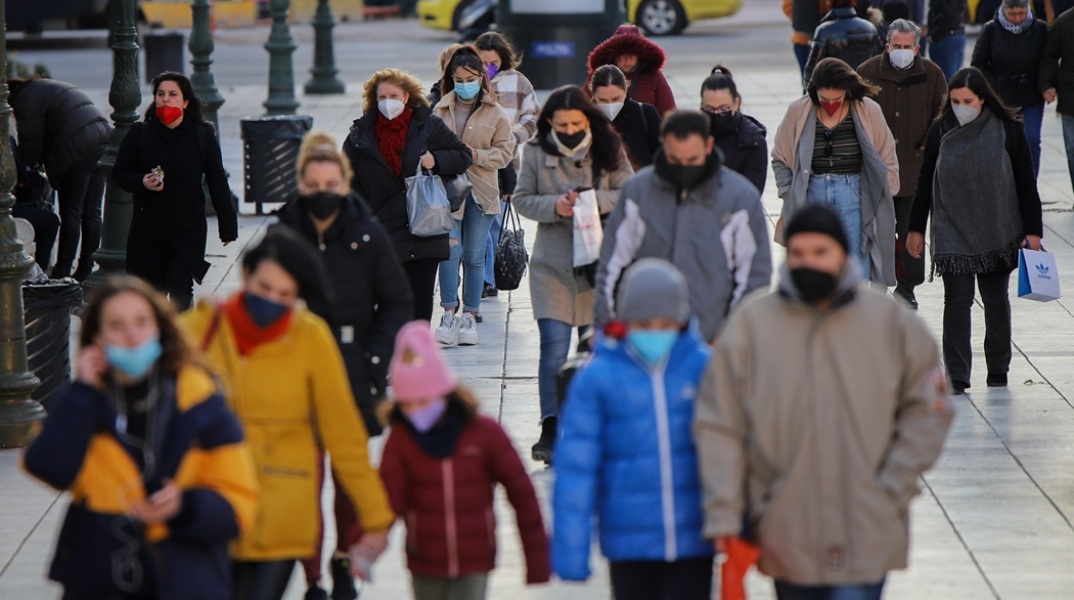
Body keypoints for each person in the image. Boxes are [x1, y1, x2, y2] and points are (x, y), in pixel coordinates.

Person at [695, 204, 955, 600]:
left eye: (820, 253)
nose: (809, 263)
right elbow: (719, 423)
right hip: (785, 525)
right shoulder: (752, 325)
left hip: (867, 523)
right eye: (798, 254)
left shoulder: (891, 322)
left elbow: (930, 410)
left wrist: (892, 483)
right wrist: (732, 510)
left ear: (842, 254)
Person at [180, 228, 395, 600]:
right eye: (264, 288)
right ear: (245, 276)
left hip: (279, 516)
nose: (273, 301)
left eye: (286, 295)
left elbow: (344, 433)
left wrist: (376, 519)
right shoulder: (196, 333)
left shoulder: (310, 338)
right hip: (207, 510)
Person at [24, 275, 259, 600]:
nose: (131, 336)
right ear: (98, 339)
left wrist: (184, 506)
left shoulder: (201, 402)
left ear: (159, 329)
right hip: (100, 580)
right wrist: (82, 394)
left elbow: (238, 507)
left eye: (141, 322)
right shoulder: (86, 403)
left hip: (183, 578)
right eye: (116, 326)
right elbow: (49, 466)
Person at [275, 132, 412, 600]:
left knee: (350, 481)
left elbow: (396, 302)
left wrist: (375, 361)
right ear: (300, 184)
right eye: (313, 184)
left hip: (353, 371)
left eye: (331, 182)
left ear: (345, 181)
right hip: (295, 379)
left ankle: (343, 563)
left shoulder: (367, 233)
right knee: (304, 481)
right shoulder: (282, 234)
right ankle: (311, 575)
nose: (323, 192)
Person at [554, 259, 714, 600]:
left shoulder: (703, 368)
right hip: (628, 544)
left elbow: (733, 449)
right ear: (625, 322)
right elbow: (576, 469)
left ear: (681, 321)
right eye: (644, 324)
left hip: (694, 539)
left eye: (665, 323)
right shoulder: (598, 379)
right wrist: (571, 546)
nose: (655, 332)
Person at [378, 321, 551, 600]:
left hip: (474, 560)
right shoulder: (402, 440)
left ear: (444, 392)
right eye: (406, 404)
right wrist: (364, 545)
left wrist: (537, 559)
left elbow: (523, 494)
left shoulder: (483, 434)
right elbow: (386, 499)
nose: (416, 411)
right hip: (424, 561)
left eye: (423, 401)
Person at [513, 85, 634, 463]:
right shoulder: (533, 152)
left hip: (596, 263)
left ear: (588, 119)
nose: (569, 130)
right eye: (561, 124)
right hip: (552, 261)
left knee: (593, 349)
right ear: (549, 121)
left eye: (576, 123)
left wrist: (592, 201)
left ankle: (590, 426)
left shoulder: (608, 147)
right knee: (552, 347)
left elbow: (631, 190)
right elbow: (521, 199)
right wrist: (556, 205)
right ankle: (551, 428)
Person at [907, 67, 1043, 394]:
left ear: (982, 99)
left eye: (967, 100)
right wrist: (915, 229)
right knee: (956, 300)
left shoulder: (1007, 130)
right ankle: (957, 375)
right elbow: (925, 181)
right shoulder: (941, 130)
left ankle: (998, 368)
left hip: (998, 228)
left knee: (995, 300)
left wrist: (1033, 231)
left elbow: (1026, 183)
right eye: (955, 101)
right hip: (951, 227)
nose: (961, 106)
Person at [594, 110, 772, 344]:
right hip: (645, 340)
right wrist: (608, 324)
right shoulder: (638, 191)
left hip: (712, 343)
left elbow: (754, 276)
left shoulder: (739, 198)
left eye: (692, 160)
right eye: (675, 160)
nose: (683, 168)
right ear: (663, 146)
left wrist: (729, 335)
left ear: (709, 146)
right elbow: (612, 262)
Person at [342, 69, 473, 322]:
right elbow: (347, 180)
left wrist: (436, 160)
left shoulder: (427, 125)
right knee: (388, 300)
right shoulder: (360, 135)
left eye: (393, 95)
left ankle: (418, 355)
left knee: (421, 300)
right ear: (374, 100)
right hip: (381, 227)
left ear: (406, 97)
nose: (387, 101)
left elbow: (463, 156)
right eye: (382, 97)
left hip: (423, 226)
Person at [114, 72, 237, 310]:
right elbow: (121, 173)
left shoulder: (202, 134)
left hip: (187, 227)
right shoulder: (140, 133)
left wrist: (227, 224)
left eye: (172, 94)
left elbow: (217, 179)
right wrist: (142, 181)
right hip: (149, 229)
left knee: (181, 288)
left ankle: (180, 343)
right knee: (152, 294)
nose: (165, 100)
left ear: (185, 101)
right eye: (160, 94)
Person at [771, 57, 900, 286]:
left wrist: (883, 192)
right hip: (813, 194)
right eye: (824, 99)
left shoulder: (868, 110)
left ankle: (855, 316)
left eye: (837, 99)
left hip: (855, 194)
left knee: (855, 264)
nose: (831, 104)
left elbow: (887, 154)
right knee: (815, 262)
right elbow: (780, 157)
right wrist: (789, 193)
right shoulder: (798, 111)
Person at [857, 19, 948, 307]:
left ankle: (907, 287)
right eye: (897, 46)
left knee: (911, 230)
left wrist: (928, 143)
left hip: (915, 170)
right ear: (887, 46)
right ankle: (877, 284)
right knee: (877, 231)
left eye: (907, 47)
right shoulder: (867, 72)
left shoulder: (932, 74)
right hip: (876, 171)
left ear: (917, 47)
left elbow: (942, 113)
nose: (902, 51)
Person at [433, 46, 515, 346]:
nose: (464, 83)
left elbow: (506, 152)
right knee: (449, 253)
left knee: (474, 256)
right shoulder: (440, 109)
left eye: (470, 77)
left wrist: (477, 155)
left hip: (482, 192)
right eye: (458, 78)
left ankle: (470, 314)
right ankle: (448, 312)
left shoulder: (496, 113)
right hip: (447, 193)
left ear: (481, 78)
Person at [8, 77, 110, 281]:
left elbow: (31, 143)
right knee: (92, 212)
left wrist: (27, 172)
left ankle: (62, 270)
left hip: (76, 145)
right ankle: (85, 269)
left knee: (71, 212)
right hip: (101, 136)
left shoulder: (25, 99)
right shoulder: (43, 86)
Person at [474, 31, 541, 297]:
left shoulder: (517, 82)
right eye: (483, 63)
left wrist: (513, 137)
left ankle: (488, 278)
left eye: (494, 63)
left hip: (505, 164)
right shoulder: (468, 80)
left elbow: (532, 117)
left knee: (494, 221)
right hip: (472, 161)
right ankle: (483, 278)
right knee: (479, 223)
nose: (489, 68)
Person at [972, 0, 1049, 176]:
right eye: (1012, 14)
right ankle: (1006, 186)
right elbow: (978, 65)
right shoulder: (990, 30)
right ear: (1004, 10)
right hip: (1002, 98)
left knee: (1030, 139)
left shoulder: (1040, 29)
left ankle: (1030, 184)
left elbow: (1048, 60)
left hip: (1032, 95)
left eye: (1021, 13)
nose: (1017, 18)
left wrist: (1046, 84)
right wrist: (995, 87)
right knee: (1004, 142)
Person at [700, 65, 769, 193]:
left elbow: (751, 192)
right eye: (709, 109)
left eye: (724, 109)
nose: (716, 114)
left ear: (736, 104)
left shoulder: (753, 140)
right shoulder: (692, 134)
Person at [586, 25, 676, 116]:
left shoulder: (654, 76)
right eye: (622, 54)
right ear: (614, 55)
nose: (627, 60)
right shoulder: (599, 75)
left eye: (632, 55)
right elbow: (581, 108)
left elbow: (669, 114)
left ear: (640, 55)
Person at [589, 64, 662, 170]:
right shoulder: (586, 118)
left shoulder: (645, 113)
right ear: (593, 95)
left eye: (616, 99)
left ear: (626, 90)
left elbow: (664, 153)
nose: (610, 104)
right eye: (603, 100)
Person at [804, 0, 886, 86]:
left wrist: (810, 92)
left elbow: (812, 69)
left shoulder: (824, 30)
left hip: (835, 91)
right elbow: (879, 62)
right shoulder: (870, 28)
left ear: (829, 3)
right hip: (864, 88)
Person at [1040, 0, 1074, 197]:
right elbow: (1049, 56)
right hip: (1070, 96)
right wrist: (1046, 85)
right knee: (1072, 150)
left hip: (1068, 93)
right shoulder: (1065, 22)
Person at [785, 0, 834, 80]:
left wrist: (801, 19)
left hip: (802, 38)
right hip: (822, 39)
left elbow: (786, 6)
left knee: (806, 78)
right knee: (823, 79)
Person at [928, 0, 970, 81]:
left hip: (946, 38)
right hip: (958, 33)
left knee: (946, 79)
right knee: (955, 77)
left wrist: (934, 35)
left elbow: (949, 15)